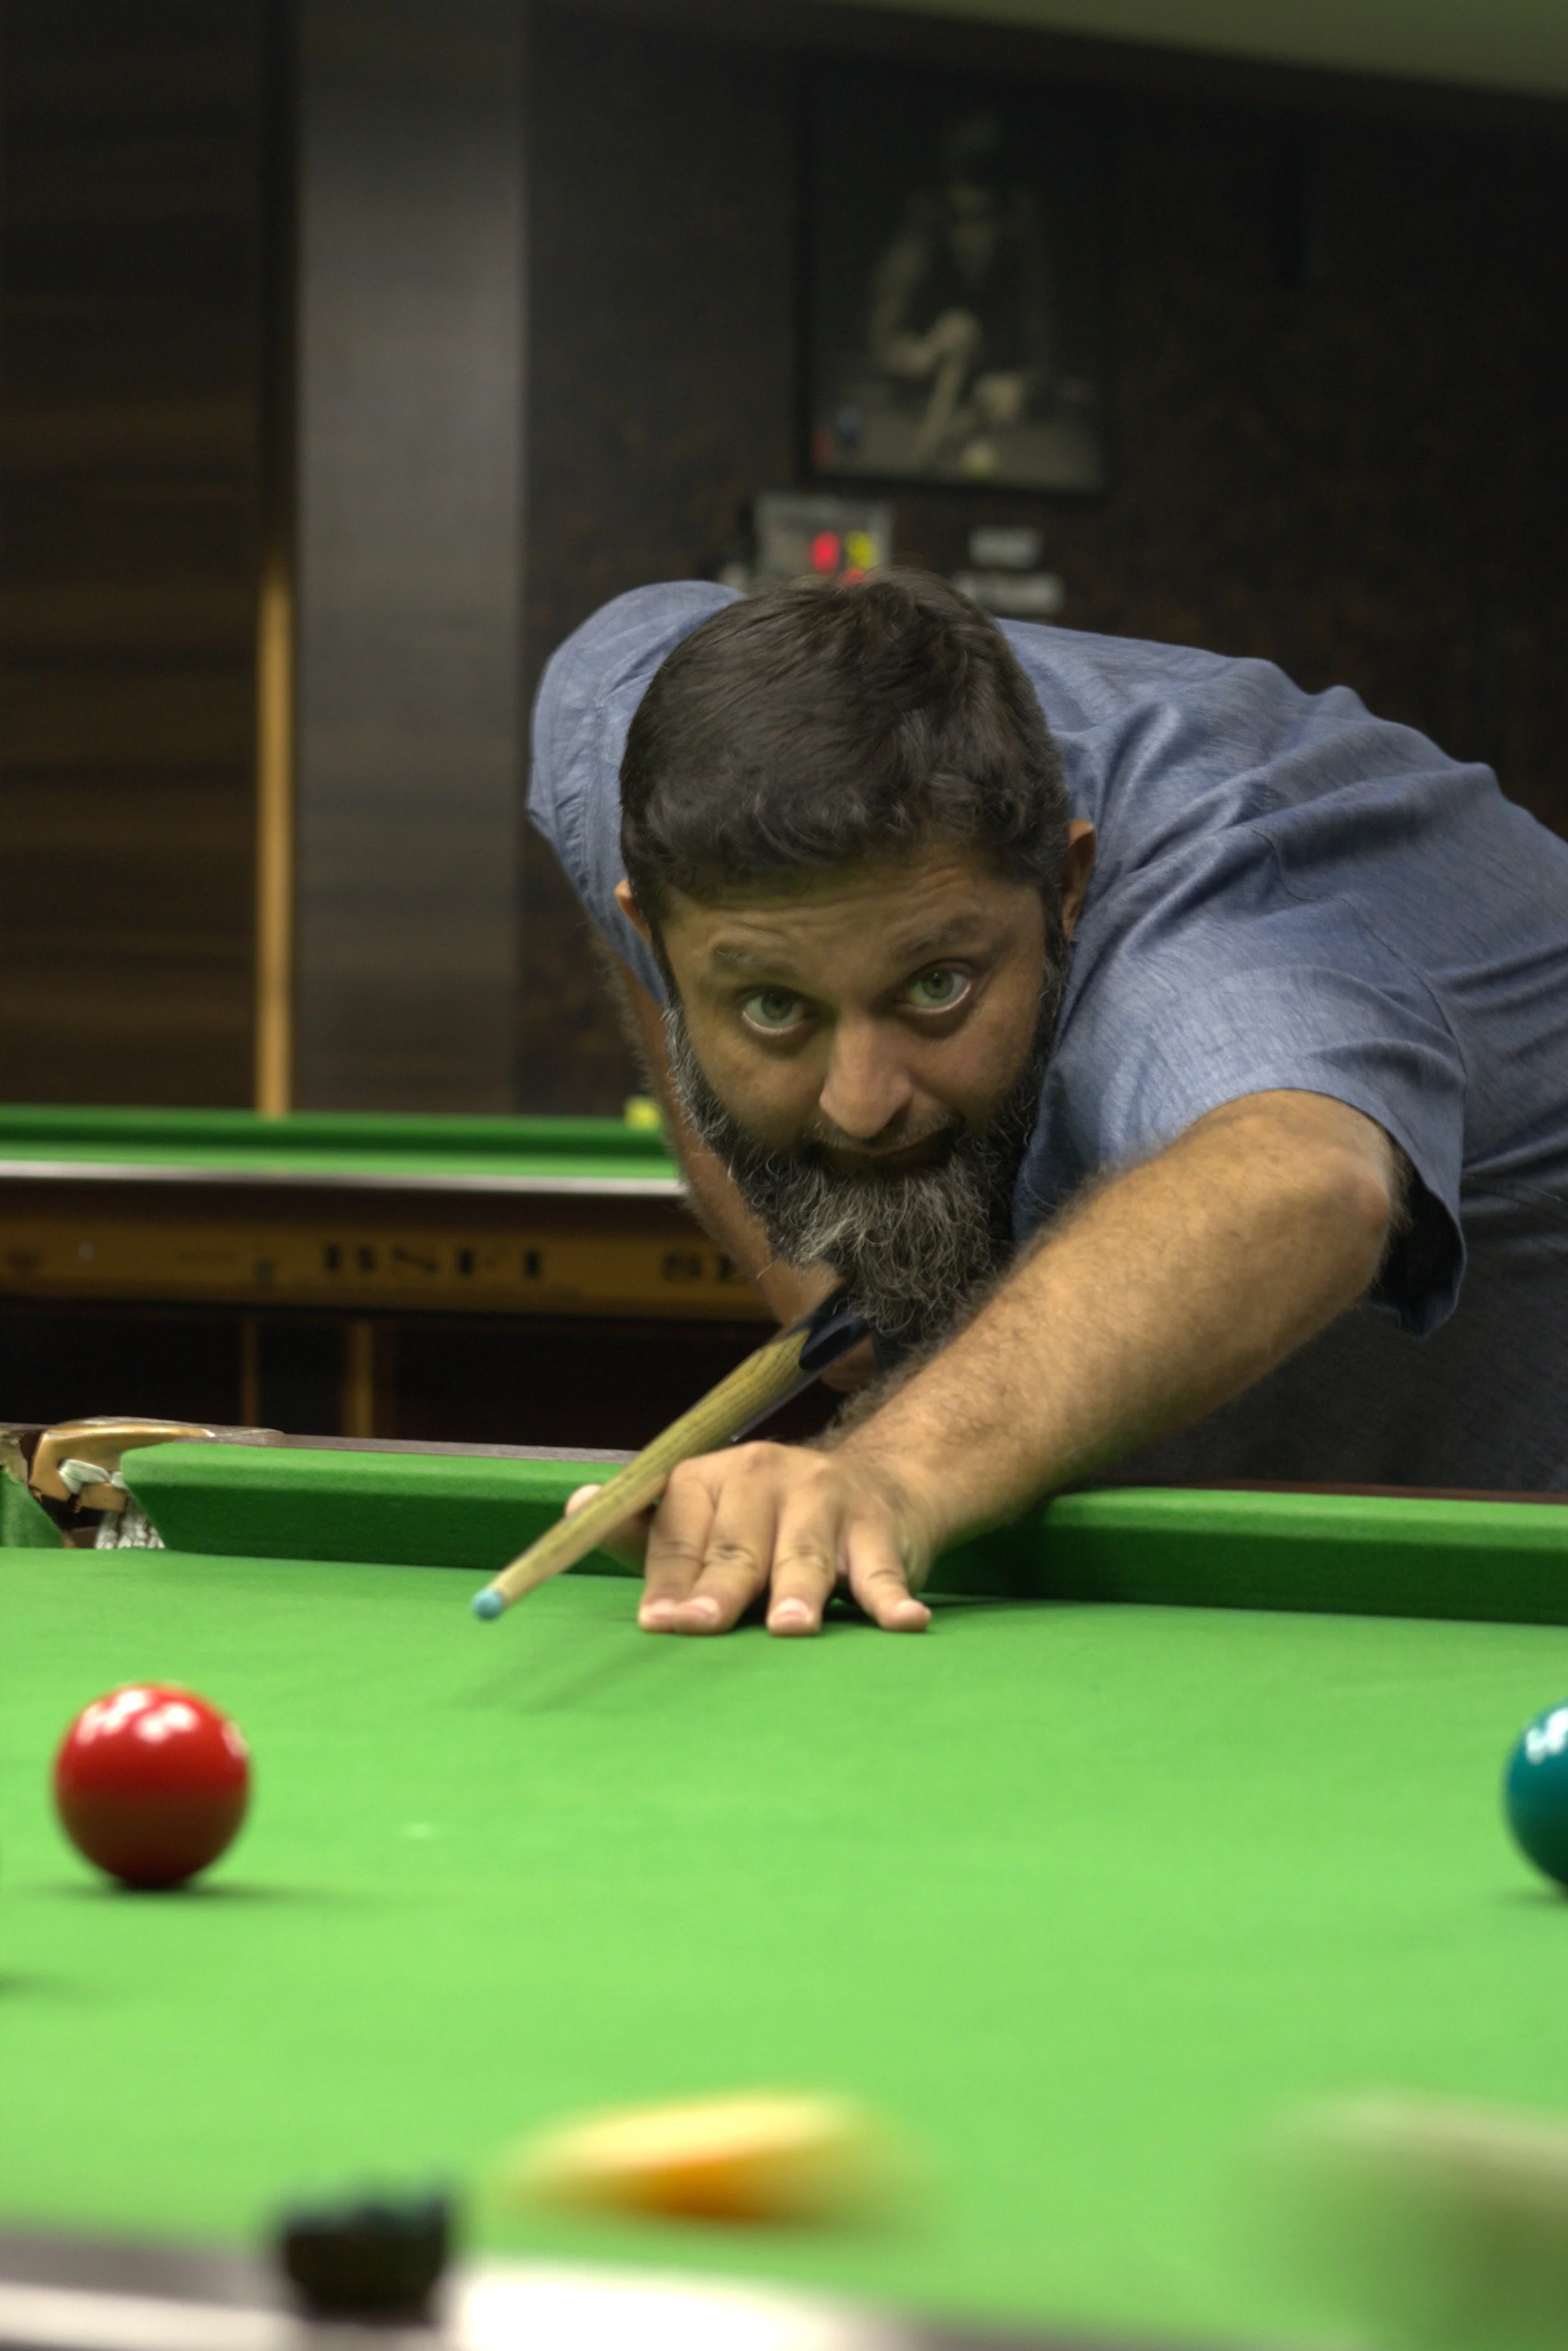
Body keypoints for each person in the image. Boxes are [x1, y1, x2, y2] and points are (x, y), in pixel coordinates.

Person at [529, 572, 1568, 1638]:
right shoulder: (630, 728)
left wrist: (887, 1470)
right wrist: (844, 1288)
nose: (862, 1102)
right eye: (772, 1004)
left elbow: (1302, 1178)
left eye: (938, 988)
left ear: (1066, 889)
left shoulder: (1207, 916)